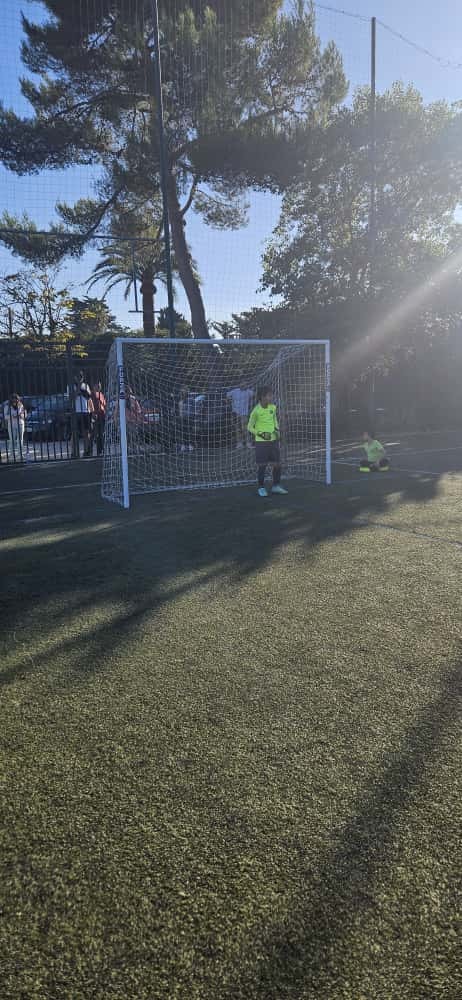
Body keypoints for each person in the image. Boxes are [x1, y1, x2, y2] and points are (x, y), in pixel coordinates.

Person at [247, 386, 288, 497]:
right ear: (262, 397)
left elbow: (274, 420)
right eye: (269, 395)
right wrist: (261, 434)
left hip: (273, 441)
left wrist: (277, 430)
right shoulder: (256, 411)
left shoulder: (273, 407)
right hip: (261, 442)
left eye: (271, 395)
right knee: (262, 465)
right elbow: (249, 427)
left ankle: (276, 486)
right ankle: (261, 488)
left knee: (277, 464)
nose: (271, 397)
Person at [72, 371, 93, 457]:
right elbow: (72, 397)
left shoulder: (86, 385)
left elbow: (89, 397)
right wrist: (79, 387)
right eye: (78, 377)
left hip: (85, 411)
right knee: (74, 433)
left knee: (86, 433)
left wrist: (91, 410)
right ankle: (74, 452)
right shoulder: (71, 386)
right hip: (76, 412)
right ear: (75, 377)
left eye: (81, 377)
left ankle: (86, 451)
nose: (79, 378)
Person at [2, 393, 26, 461]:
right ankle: (11, 455)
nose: (15, 400)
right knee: (12, 440)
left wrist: (21, 415)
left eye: (16, 399)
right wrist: (12, 416)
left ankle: (20, 455)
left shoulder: (21, 405)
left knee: (20, 440)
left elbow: (24, 414)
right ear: (11, 400)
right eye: (14, 399)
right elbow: (5, 417)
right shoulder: (7, 406)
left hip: (20, 424)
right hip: (11, 425)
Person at [90, 381, 107, 456]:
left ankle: (100, 450)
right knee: (95, 434)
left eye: (100, 385)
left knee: (101, 434)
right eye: (97, 385)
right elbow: (91, 404)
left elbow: (104, 404)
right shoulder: (92, 394)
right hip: (96, 415)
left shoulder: (101, 394)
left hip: (102, 415)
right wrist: (93, 413)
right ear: (94, 386)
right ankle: (90, 451)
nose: (99, 386)